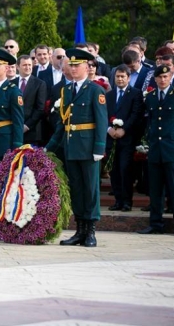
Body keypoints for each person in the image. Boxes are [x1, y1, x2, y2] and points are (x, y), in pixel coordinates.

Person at [46, 49, 108, 247]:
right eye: (70, 65)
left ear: (87, 67)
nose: (73, 68)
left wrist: (99, 148)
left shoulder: (95, 90)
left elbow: (101, 121)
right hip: (71, 147)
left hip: (89, 148)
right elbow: (62, 124)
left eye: (77, 65)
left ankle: (90, 231)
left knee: (90, 190)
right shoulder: (67, 91)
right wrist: (49, 148)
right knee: (77, 190)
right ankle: (79, 230)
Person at [138, 65, 174, 236]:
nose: (162, 80)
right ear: (155, 79)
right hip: (155, 149)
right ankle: (156, 223)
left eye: (165, 77)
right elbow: (149, 122)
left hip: (173, 149)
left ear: (171, 77)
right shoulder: (151, 97)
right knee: (155, 190)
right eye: (159, 77)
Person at [105, 65, 143, 212]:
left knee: (125, 170)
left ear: (128, 78)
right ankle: (118, 200)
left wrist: (124, 129)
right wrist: (109, 129)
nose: (120, 79)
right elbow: (105, 115)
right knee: (113, 171)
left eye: (123, 76)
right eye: (118, 77)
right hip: (111, 139)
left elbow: (135, 114)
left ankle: (127, 201)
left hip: (127, 139)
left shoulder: (135, 94)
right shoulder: (109, 95)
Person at [14, 55, 47, 146]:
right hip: (14, 131)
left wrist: (27, 126)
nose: (28, 67)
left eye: (29, 65)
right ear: (17, 67)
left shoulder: (39, 83)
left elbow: (40, 108)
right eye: (24, 65)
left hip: (32, 132)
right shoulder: (12, 83)